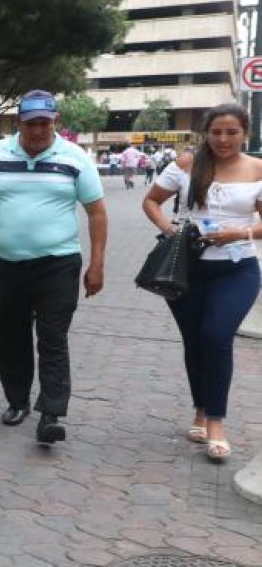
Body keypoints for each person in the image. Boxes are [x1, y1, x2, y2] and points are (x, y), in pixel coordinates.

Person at [0, 89, 107, 445]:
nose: (38, 130)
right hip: (7, 266)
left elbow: (97, 212)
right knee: (9, 336)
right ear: (19, 123)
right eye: (30, 123)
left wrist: (97, 263)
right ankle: (17, 400)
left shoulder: (74, 158)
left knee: (53, 338)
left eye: (44, 122)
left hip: (58, 265)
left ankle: (52, 414)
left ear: (55, 122)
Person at [141, 104, 262, 462]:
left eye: (232, 132)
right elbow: (151, 202)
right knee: (194, 342)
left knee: (216, 337)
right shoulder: (186, 164)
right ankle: (199, 409)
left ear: (245, 134)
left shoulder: (257, 169)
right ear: (206, 133)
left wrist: (238, 232)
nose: (223, 139)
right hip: (186, 269)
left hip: (237, 269)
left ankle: (216, 422)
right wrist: (168, 227)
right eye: (217, 132)